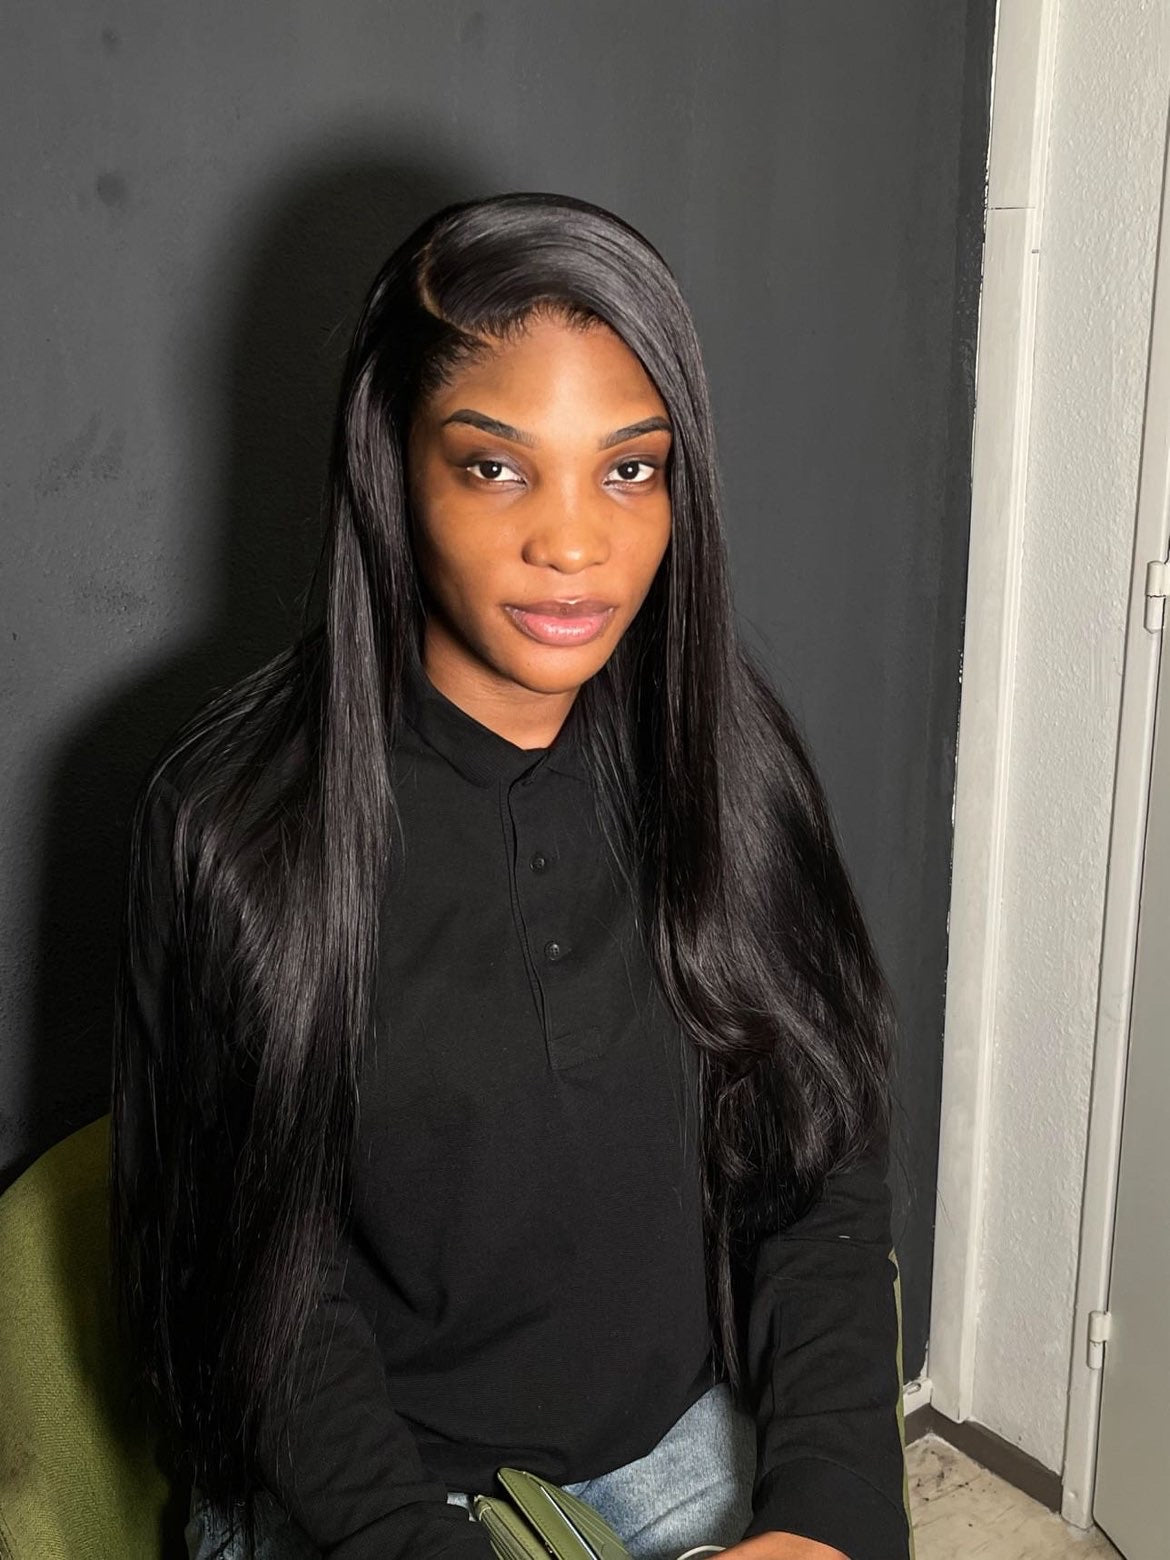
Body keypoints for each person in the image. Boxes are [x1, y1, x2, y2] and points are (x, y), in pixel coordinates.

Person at [109, 191, 912, 1560]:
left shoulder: (730, 763)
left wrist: (829, 1513)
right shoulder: (231, 825)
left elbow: (817, 1167)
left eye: (628, 470)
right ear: (392, 467)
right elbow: (258, 1310)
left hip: (671, 1444)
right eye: (495, 468)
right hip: (361, 1489)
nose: (574, 543)